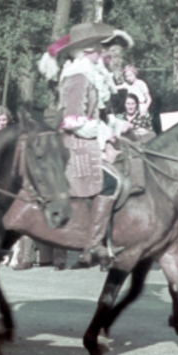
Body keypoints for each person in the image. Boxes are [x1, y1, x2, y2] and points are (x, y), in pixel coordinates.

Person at [56, 22, 133, 267]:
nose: (102, 53)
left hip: (88, 144)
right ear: (88, 51)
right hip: (75, 146)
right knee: (112, 182)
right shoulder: (78, 77)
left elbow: (97, 115)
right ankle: (93, 244)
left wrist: (116, 125)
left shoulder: (89, 75)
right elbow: (72, 120)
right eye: (99, 48)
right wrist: (104, 131)